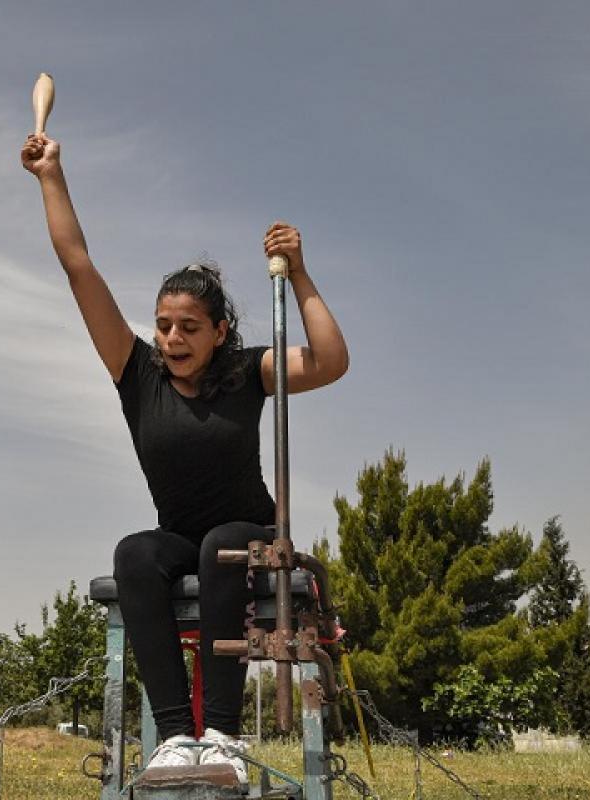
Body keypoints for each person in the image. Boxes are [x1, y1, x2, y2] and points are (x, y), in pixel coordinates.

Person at [21, 132, 348, 786]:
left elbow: (331, 361)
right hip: (180, 534)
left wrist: (303, 273)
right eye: (164, 325)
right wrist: (50, 175)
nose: (172, 339)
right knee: (136, 552)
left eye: (189, 327)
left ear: (220, 330)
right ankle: (176, 739)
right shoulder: (135, 371)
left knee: (223, 544)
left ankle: (221, 736)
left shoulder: (244, 369)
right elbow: (78, 264)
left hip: (247, 533)